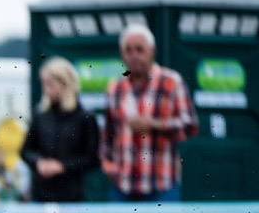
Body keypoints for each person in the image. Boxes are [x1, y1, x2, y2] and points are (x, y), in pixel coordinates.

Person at [101, 24, 196, 203]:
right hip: (122, 184)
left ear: (152, 51)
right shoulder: (115, 87)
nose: (134, 55)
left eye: (140, 49)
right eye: (129, 50)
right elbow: (108, 133)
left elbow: (190, 125)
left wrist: (154, 124)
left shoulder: (171, 82)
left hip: (160, 183)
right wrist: (107, 165)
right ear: (122, 53)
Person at [20, 57, 100, 203]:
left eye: (50, 84)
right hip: (40, 195)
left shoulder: (85, 118)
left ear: (65, 84)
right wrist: (39, 162)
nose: (45, 89)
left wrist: (62, 166)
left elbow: (92, 158)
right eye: (44, 84)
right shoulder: (40, 115)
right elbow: (25, 151)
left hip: (72, 197)